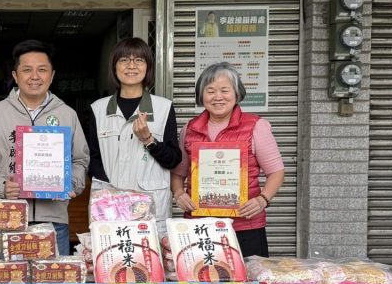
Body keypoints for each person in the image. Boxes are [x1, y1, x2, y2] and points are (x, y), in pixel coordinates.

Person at [0, 40, 90, 252]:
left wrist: (72, 183)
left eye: (42, 70)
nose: (35, 76)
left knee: (54, 274)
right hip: (7, 217)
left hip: (54, 221)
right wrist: (2, 186)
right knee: (10, 274)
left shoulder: (67, 114)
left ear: (52, 76)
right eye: (27, 70)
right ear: (15, 76)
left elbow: (80, 159)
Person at [170, 61, 285, 259]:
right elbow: (178, 173)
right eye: (210, 91)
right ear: (201, 95)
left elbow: (276, 172)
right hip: (200, 225)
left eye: (225, 90)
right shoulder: (190, 129)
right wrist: (179, 193)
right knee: (200, 277)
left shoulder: (256, 126)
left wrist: (262, 200)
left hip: (245, 225)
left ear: (237, 93)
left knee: (248, 278)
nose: (218, 97)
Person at [88, 37, 182, 223]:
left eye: (139, 60)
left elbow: (173, 160)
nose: (131, 66)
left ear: (148, 67)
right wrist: (112, 194)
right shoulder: (98, 109)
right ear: (114, 67)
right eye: (124, 60)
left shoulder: (163, 108)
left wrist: (148, 140)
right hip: (110, 207)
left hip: (150, 207)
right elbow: (93, 159)